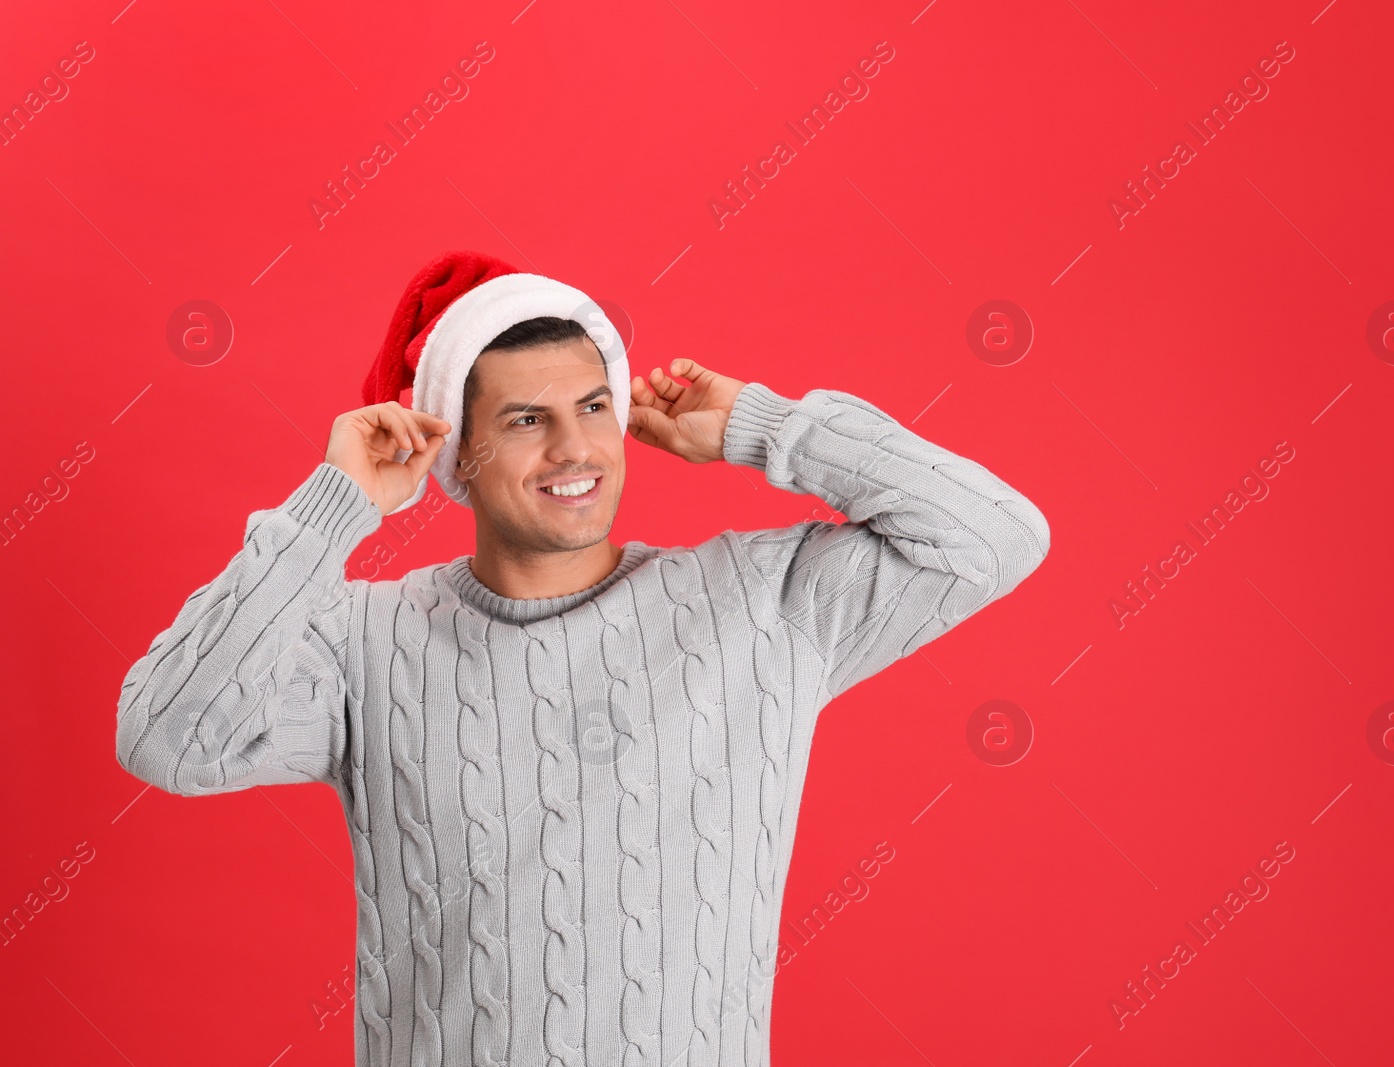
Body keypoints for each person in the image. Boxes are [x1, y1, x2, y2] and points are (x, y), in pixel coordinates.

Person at [116, 251, 1050, 1067]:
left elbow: (994, 535)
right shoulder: (367, 641)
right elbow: (168, 738)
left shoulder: (761, 606)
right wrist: (334, 507)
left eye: (594, 404)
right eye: (526, 420)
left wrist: (766, 427)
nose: (577, 448)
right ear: (457, 453)